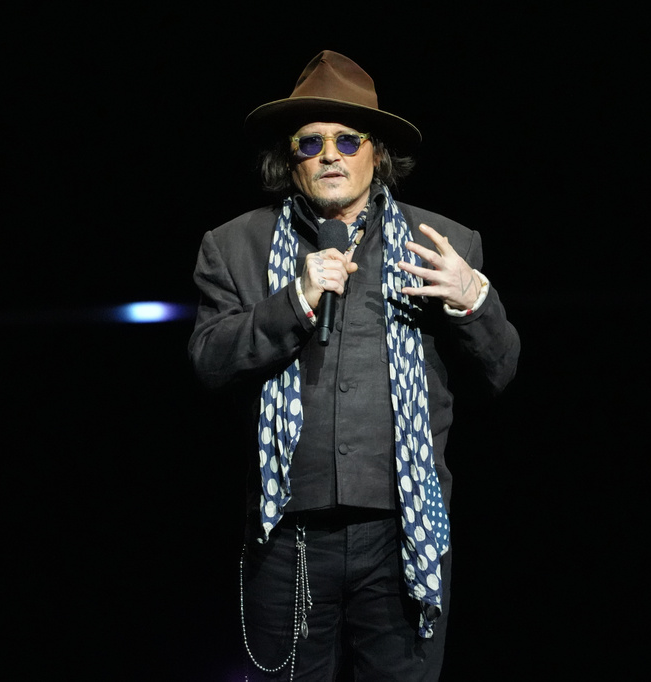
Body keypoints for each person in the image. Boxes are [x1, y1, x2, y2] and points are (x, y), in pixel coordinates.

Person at [188, 50, 520, 681]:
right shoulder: (233, 246)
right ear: (291, 158)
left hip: (402, 536)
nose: (331, 155)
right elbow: (208, 362)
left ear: (378, 152)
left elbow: (500, 371)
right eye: (311, 142)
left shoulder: (442, 243)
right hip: (287, 539)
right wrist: (293, 301)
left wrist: (471, 299)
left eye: (348, 139)